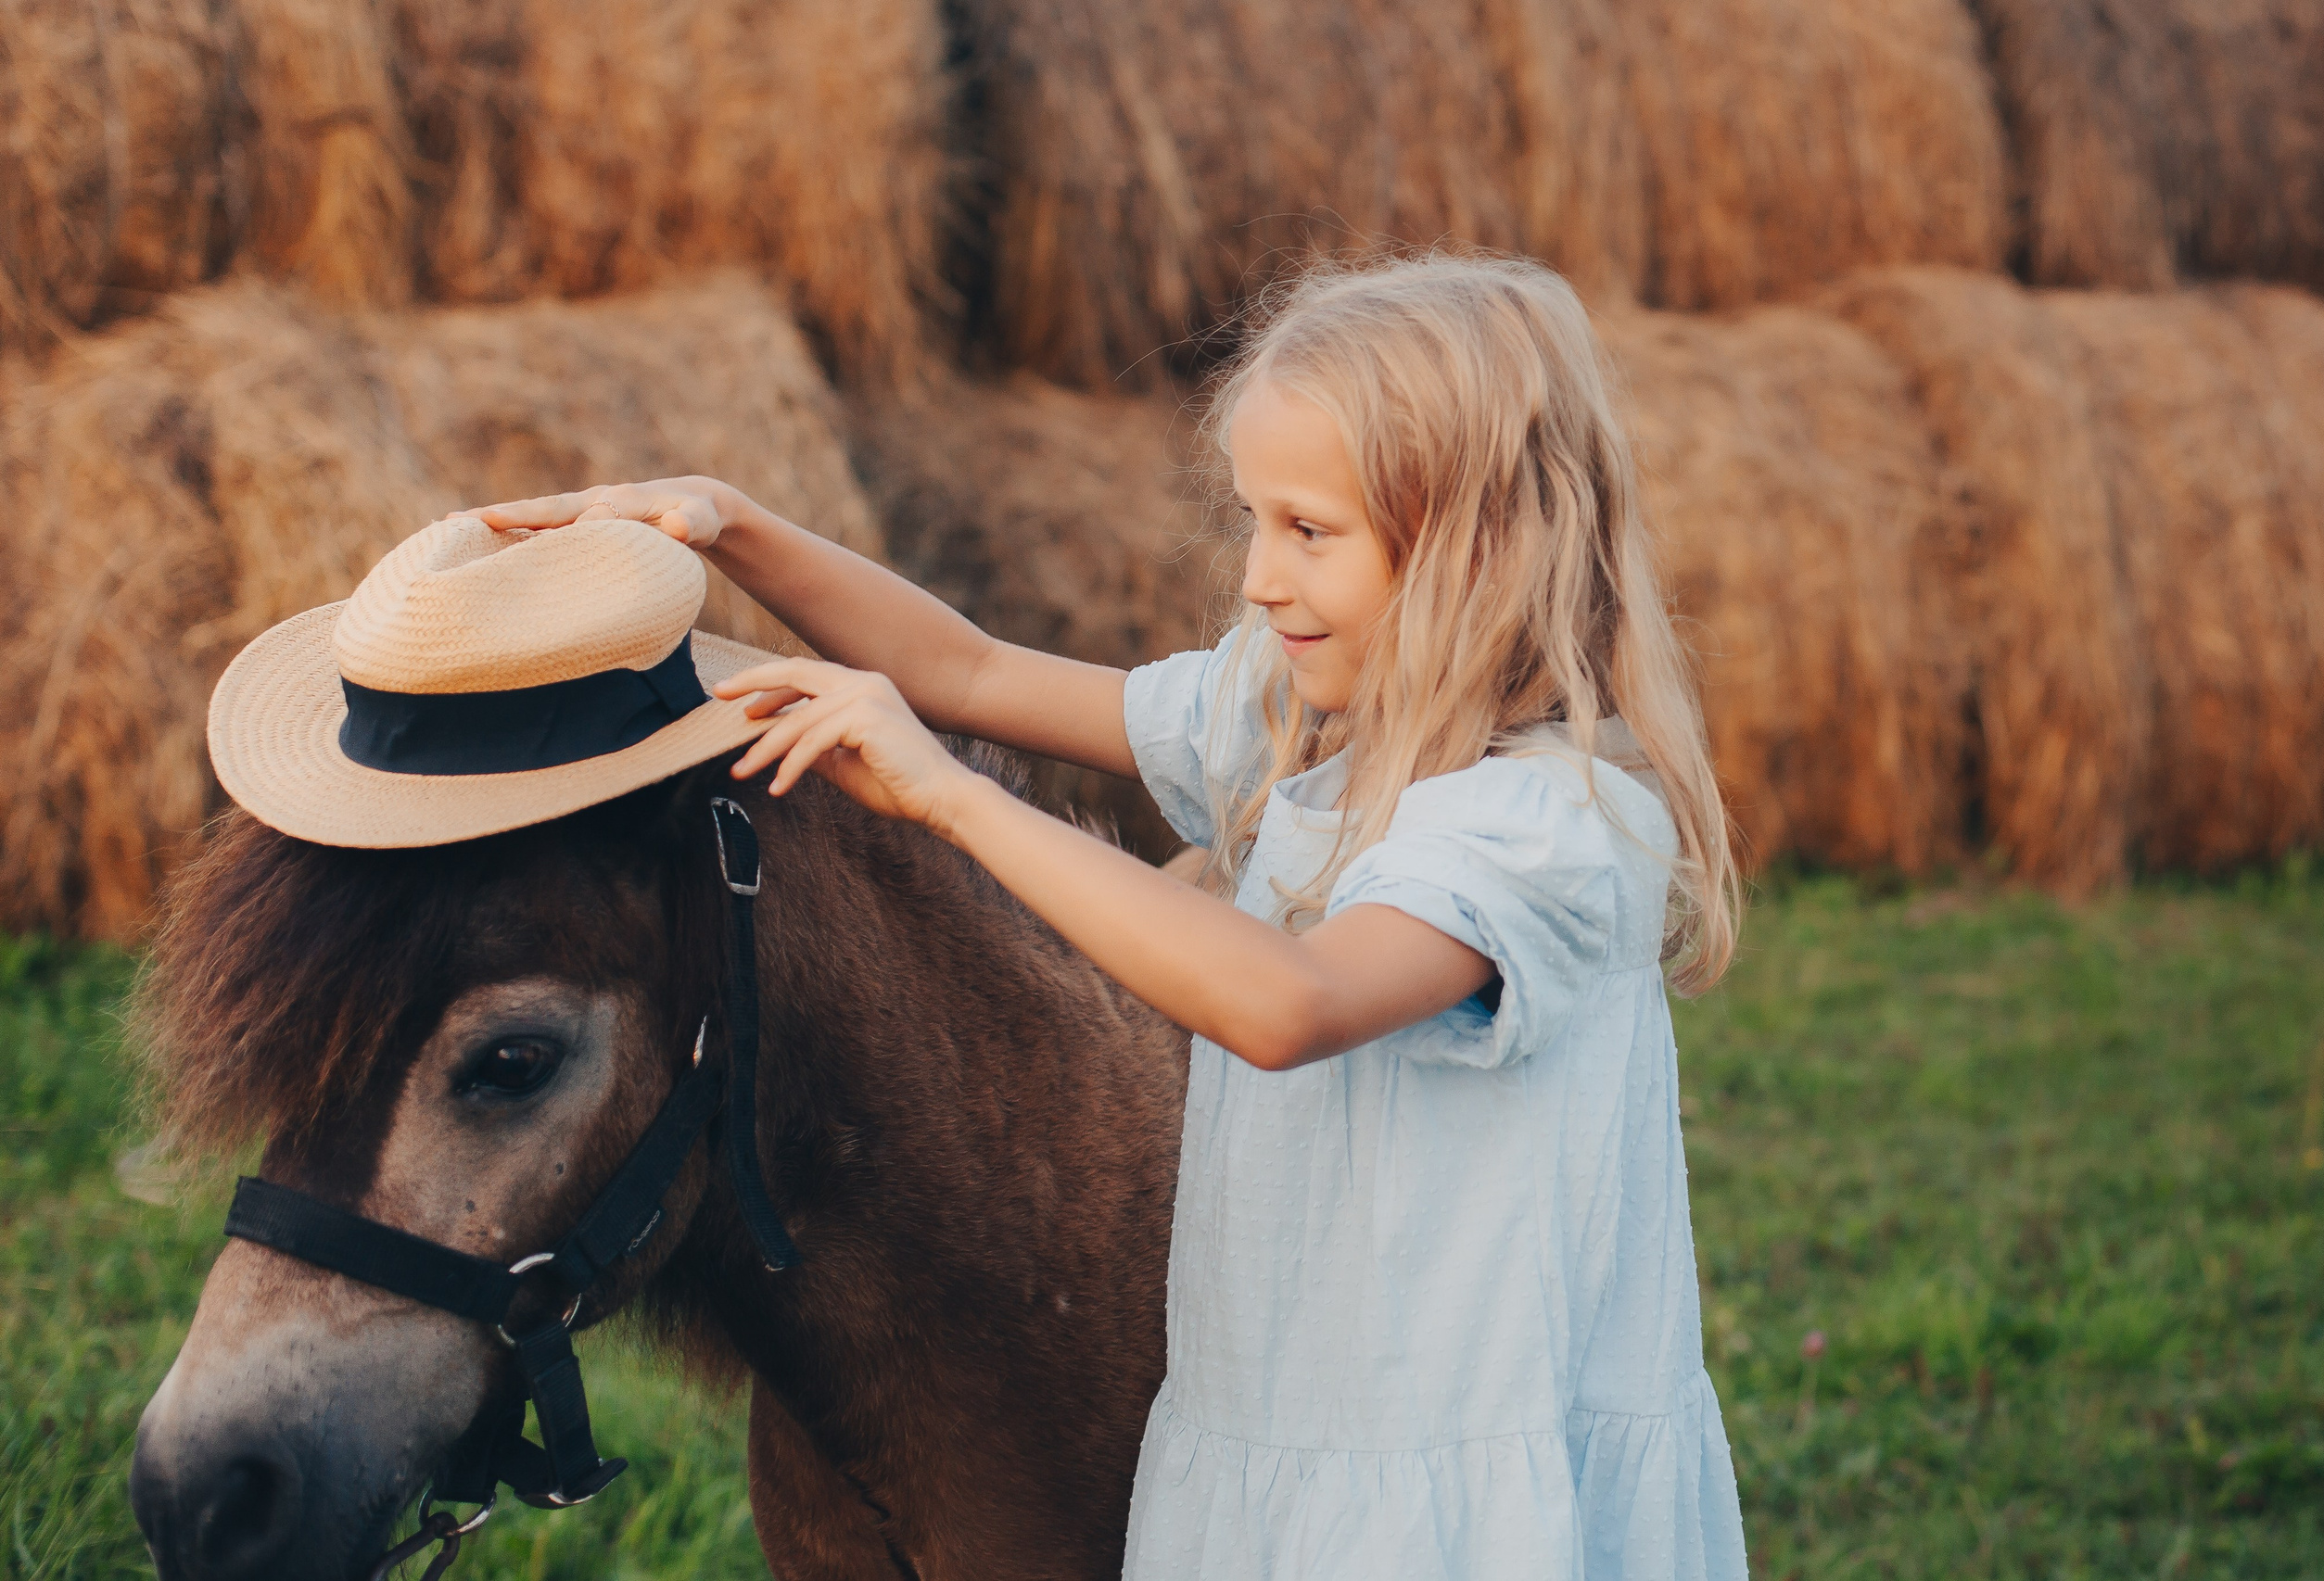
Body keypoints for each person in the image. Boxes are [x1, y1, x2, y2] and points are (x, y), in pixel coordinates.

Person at [473, 253, 1750, 1580]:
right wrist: (732, 527)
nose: (1258, 577)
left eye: (1310, 532)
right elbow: (965, 668)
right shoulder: (1299, 724)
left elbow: (1284, 1003)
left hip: (1448, 1485)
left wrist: (950, 803)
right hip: (1274, 1436)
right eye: (1256, 521)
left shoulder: (1549, 822)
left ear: (1482, 550)